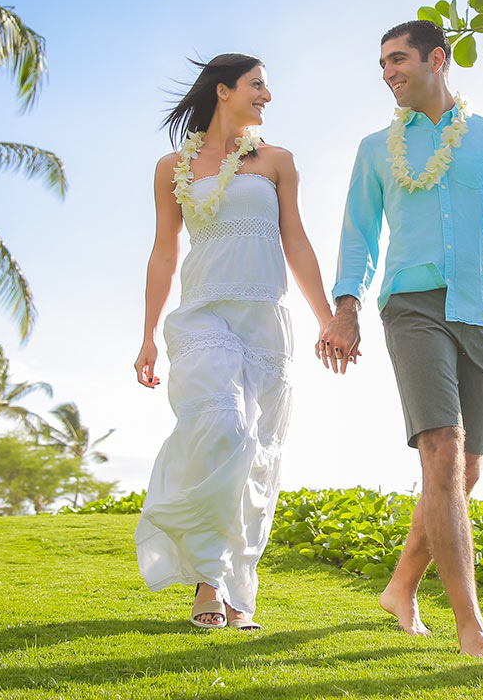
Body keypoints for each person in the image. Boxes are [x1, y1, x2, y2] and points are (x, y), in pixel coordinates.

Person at [319, 20, 483, 659]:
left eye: (397, 59)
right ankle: (470, 627)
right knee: (443, 451)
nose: (387, 72)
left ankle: (400, 586)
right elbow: (357, 235)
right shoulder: (376, 149)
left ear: (437, 59)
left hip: (482, 309)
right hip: (411, 303)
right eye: (381, 63)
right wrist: (345, 309)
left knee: (465, 466)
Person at [133, 53, 333, 631]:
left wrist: (327, 319)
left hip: (264, 318)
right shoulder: (173, 166)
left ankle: (235, 586)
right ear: (223, 91)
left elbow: (295, 242)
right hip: (201, 314)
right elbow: (164, 251)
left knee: (258, 451)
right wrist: (146, 334)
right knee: (221, 428)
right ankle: (205, 579)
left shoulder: (276, 161)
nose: (266, 95)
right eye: (257, 85)